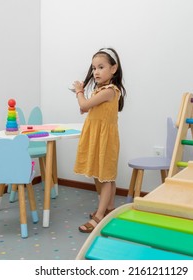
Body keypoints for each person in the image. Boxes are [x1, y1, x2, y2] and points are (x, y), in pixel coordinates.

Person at [71, 47, 126, 233]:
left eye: (101, 67)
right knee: (99, 173)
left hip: (106, 139)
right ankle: (109, 208)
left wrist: (79, 92)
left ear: (113, 68)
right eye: (94, 68)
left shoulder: (110, 90)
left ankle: (99, 215)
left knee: (106, 176)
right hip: (96, 136)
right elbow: (88, 108)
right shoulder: (99, 90)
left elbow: (85, 105)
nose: (96, 72)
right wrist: (85, 104)